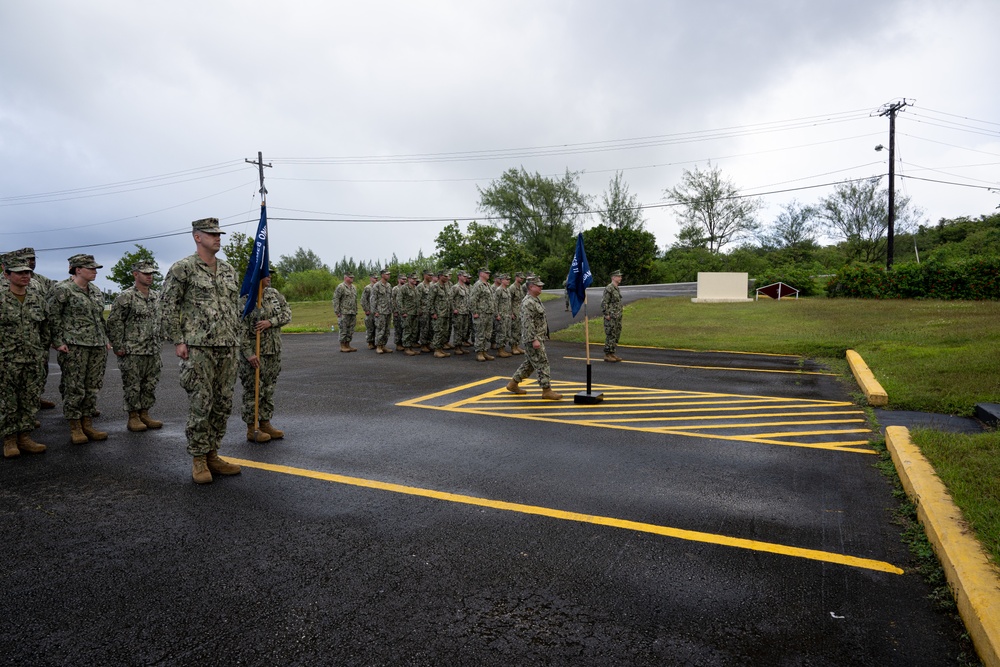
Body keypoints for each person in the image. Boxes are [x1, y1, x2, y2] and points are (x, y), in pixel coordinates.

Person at [160, 218, 242, 484]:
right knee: (201, 404)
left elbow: (233, 308)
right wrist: (178, 340)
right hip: (198, 347)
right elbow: (167, 306)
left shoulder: (229, 270)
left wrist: (237, 339)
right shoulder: (182, 269)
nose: (217, 238)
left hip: (227, 347)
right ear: (197, 237)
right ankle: (198, 459)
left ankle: (213, 453)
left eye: (219, 234)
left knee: (223, 403)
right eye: (211, 234)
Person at [47, 254, 111, 444]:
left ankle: (87, 423)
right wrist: (57, 341)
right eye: (90, 268)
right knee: (74, 386)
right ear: (77, 269)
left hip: (96, 344)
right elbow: (52, 317)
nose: (95, 271)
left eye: (95, 268)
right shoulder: (62, 289)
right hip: (74, 346)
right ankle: (75, 425)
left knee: (92, 386)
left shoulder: (96, 291)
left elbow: (100, 318)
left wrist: (105, 339)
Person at [106, 260, 164, 432]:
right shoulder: (126, 296)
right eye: (145, 273)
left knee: (150, 384)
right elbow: (115, 322)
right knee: (133, 385)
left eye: (151, 273)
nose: (149, 276)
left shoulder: (155, 296)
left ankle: (145, 413)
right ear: (135, 274)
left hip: (152, 349)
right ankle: (133, 416)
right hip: (132, 349)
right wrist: (118, 345)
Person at [1, 254, 49, 458]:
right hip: (6, 360)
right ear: (7, 274)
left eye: (27, 272)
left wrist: (42, 351)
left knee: (29, 400)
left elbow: (46, 327)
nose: (25, 276)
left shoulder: (37, 299)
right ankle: (10, 440)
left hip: (32, 359)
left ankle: (25, 437)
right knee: (8, 401)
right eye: (20, 272)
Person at [239, 275, 292, 443]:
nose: (269, 276)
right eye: (265, 274)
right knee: (254, 390)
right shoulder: (246, 299)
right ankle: (251, 428)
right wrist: (248, 353)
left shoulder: (274, 294)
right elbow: (239, 329)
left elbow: (287, 313)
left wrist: (271, 321)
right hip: (256, 353)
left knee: (268, 389)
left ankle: (265, 422)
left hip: (273, 351)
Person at [507, 276, 563, 400]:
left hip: (538, 337)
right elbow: (528, 323)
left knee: (530, 363)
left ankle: (513, 384)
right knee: (542, 362)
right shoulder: (528, 302)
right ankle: (546, 390)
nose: (541, 287)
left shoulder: (535, 300)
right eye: (538, 285)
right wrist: (534, 339)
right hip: (533, 338)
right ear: (531, 287)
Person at [469, 267, 496, 362]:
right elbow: (473, 299)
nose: (488, 274)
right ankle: (479, 352)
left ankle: (484, 351)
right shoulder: (478, 285)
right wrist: (475, 312)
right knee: (480, 333)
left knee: (487, 334)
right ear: (481, 274)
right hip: (481, 313)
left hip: (488, 313)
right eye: (486, 272)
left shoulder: (487, 285)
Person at [429, 270, 453, 358]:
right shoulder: (435, 287)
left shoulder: (446, 286)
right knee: (438, 331)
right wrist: (433, 313)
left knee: (444, 332)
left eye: (447, 276)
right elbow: (430, 301)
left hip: (446, 313)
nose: (447, 278)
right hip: (438, 313)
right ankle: (436, 350)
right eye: (445, 276)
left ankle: (441, 349)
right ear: (440, 276)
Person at [602, 270, 624, 362]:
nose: (620, 278)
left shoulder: (616, 288)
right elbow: (604, 302)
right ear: (613, 278)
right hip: (611, 316)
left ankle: (612, 353)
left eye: (620, 276)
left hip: (617, 316)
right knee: (610, 334)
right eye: (618, 276)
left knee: (616, 334)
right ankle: (607, 354)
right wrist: (606, 314)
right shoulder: (609, 288)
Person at [332, 272, 358, 352]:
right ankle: (342, 345)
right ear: (345, 278)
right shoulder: (341, 287)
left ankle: (348, 344)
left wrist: (356, 310)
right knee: (343, 329)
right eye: (350, 277)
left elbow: (355, 300)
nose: (352, 279)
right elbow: (336, 299)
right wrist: (337, 311)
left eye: (352, 277)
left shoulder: (353, 287)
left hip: (352, 312)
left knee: (350, 329)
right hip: (344, 312)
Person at [396, 273, 420, 355]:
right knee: (407, 330)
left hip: (414, 313)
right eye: (413, 279)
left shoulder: (415, 288)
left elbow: (417, 301)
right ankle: (406, 348)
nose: (415, 280)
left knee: (413, 331)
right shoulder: (404, 288)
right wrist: (403, 312)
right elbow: (399, 301)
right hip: (407, 313)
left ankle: (410, 347)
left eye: (416, 279)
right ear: (409, 279)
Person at [371, 268, 394, 354]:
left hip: (388, 311)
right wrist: (375, 311)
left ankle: (384, 345)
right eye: (387, 274)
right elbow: (373, 299)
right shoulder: (377, 285)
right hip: (380, 311)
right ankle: (379, 346)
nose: (389, 275)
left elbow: (390, 298)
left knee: (387, 330)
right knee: (380, 329)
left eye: (389, 274)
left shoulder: (388, 285)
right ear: (382, 275)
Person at [450, 270, 472, 349]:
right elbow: (450, 299)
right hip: (458, 312)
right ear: (459, 276)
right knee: (458, 330)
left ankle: (460, 346)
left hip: (466, 312)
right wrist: (454, 309)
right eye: (464, 276)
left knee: (464, 330)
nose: (466, 278)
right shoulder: (455, 287)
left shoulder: (466, 287)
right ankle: (457, 347)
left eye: (466, 276)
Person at [494, 273, 513, 357]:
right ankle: (500, 350)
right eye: (506, 279)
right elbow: (495, 303)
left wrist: (511, 313)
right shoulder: (499, 290)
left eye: (509, 279)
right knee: (501, 333)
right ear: (501, 280)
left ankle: (503, 349)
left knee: (506, 333)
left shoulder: (507, 290)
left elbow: (509, 303)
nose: (508, 281)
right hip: (501, 315)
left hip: (507, 315)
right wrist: (496, 314)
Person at [508, 272, 526, 355]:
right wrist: (511, 312)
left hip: (520, 311)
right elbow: (509, 301)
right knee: (514, 329)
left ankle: (517, 345)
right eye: (520, 278)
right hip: (514, 311)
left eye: (522, 278)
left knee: (519, 329)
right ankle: (513, 347)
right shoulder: (512, 287)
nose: (522, 279)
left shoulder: (520, 287)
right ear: (516, 277)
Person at [416, 269, 434, 353]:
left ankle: (428, 343)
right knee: (424, 328)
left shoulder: (432, 285)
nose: (431, 277)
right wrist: (419, 310)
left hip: (431, 310)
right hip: (424, 311)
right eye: (429, 275)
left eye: (432, 275)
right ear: (425, 276)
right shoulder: (420, 286)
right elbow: (417, 299)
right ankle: (423, 345)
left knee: (431, 328)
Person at [361, 273, 376, 350]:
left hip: (376, 311)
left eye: (377, 278)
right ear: (370, 278)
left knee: (377, 327)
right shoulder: (368, 288)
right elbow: (363, 300)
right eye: (374, 278)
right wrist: (366, 309)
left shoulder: (378, 287)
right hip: (370, 311)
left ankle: (375, 342)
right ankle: (370, 342)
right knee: (370, 327)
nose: (376, 279)